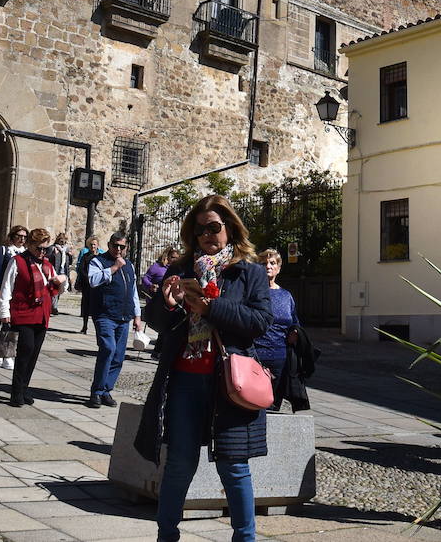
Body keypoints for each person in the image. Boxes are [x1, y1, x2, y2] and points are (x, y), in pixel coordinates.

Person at [134, 195, 271, 542]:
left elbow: (260, 322)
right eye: (200, 230)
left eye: (214, 227)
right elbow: (158, 322)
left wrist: (212, 309)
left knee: (234, 465)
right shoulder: (180, 270)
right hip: (184, 379)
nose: (208, 235)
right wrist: (167, 305)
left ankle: (245, 538)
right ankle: (166, 536)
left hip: (229, 382)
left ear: (230, 229)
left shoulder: (249, 272)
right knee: (179, 463)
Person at [0, 228, 67, 407]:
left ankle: (24, 388)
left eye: (46, 249)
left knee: (34, 354)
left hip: (41, 315)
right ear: (30, 245)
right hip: (23, 313)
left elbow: (55, 291)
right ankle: (16, 393)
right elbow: (6, 289)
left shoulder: (47, 265)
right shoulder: (17, 262)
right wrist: (4, 314)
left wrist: (62, 282)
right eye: (39, 248)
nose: (43, 252)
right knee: (25, 351)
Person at [86, 234, 144, 408]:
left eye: (122, 247)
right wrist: (114, 267)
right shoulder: (98, 261)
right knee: (108, 349)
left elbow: (133, 291)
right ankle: (96, 391)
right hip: (105, 314)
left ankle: (106, 390)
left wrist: (137, 315)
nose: (118, 250)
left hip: (124, 316)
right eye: (115, 246)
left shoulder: (130, 266)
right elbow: (93, 281)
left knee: (118, 356)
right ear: (109, 245)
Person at [253, 249, 301, 412]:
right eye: (263, 263)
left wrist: (295, 332)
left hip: (280, 358)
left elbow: (294, 321)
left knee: (274, 407)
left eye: (272, 263)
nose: (268, 266)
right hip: (255, 357)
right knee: (255, 406)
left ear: (279, 268)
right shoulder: (251, 293)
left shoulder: (286, 296)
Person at [0, 227, 28, 369]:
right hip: (5, 290)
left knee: (15, 322)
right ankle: (6, 354)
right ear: (13, 236)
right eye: (19, 236)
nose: (22, 239)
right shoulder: (4, 250)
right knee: (5, 320)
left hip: (20, 294)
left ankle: (1, 350)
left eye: (25, 236)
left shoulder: (26, 252)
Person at [75, 236, 103, 334]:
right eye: (91, 244)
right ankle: (85, 326)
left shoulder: (100, 257)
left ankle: (98, 328)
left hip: (97, 286)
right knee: (86, 305)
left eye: (94, 244)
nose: (93, 246)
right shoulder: (85, 256)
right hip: (87, 285)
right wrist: (88, 279)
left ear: (97, 245)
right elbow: (81, 269)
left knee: (96, 307)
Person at [47, 234, 71, 313]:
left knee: (60, 289)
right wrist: (54, 253)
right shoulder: (52, 248)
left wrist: (70, 255)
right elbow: (48, 257)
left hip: (63, 271)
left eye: (64, 239)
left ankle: (54, 305)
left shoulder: (66, 250)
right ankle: (54, 307)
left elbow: (70, 262)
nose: (62, 241)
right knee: (54, 289)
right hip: (55, 271)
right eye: (60, 239)